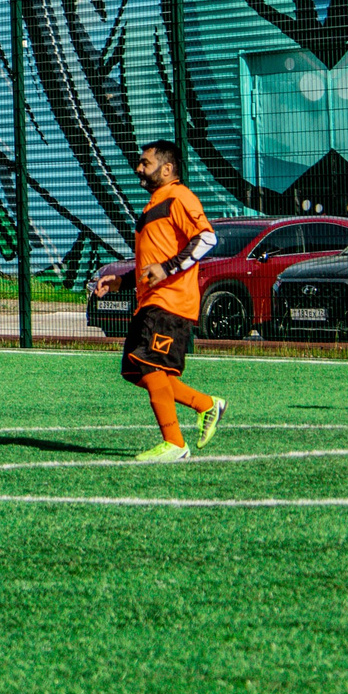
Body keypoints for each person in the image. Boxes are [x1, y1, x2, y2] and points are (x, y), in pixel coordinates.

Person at [93, 139, 225, 463]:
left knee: (150, 366)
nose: (138, 168)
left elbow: (207, 238)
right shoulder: (153, 204)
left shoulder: (179, 196)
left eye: (145, 163)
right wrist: (122, 280)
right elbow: (152, 258)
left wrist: (167, 269)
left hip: (171, 302)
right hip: (150, 301)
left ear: (167, 169)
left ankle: (175, 443)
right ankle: (206, 404)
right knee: (137, 371)